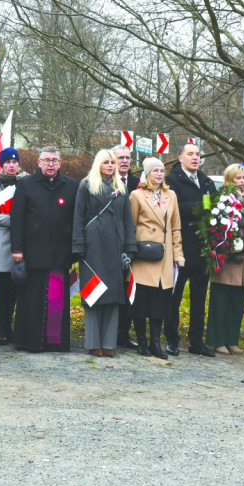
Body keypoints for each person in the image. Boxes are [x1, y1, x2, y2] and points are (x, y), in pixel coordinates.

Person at [10, 147, 78, 352]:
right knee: (32, 299)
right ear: (38, 162)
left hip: (60, 252)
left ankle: (54, 341)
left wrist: (74, 249)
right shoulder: (26, 184)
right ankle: (29, 341)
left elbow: (75, 220)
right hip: (33, 252)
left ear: (60, 163)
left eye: (54, 160)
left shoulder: (71, 186)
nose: (51, 164)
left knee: (56, 299)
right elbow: (17, 219)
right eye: (47, 160)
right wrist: (17, 249)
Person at [72, 149, 137, 357]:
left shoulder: (121, 188)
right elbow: (78, 218)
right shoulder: (86, 185)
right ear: (98, 164)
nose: (110, 165)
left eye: (112, 162)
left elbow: (127, 221)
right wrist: (79, 247)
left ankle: (109, 343)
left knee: (113, 297)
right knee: (94, 294)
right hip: (93, 247)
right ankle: (93, 343)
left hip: (115, 247)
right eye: (106, 162)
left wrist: (129, 248)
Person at [165, 142, 217, 357]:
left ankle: (196, 341)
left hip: (202, 249)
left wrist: (204, 208)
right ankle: (171, 340)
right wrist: (200, 207)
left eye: (197, 154)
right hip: (180, 249)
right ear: (180, 158)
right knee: (174, 298)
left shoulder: (205, 180)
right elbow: (173, 208)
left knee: (198, 299)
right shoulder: (172, 179)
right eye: (190, 154)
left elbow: (215, 205)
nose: (195, 158)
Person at [128, 157, 183, 358]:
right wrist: (131, 251)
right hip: (144, 255)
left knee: (160, 304)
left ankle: (155, 343)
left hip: (164, 255)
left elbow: (176, 226)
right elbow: (131, 226)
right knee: (142, 302)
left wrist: (178, 254)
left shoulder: (171, 195)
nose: (159, 174)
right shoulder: (136, 195)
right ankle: (142, 342)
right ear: (147, 173)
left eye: (162, 171)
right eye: (155, 171)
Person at [206, 163, 244, 356]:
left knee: (238, 301)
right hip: (227, 256)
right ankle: (216, 340)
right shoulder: (223, 197)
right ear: (229, 179)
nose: (242, 182)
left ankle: (232, 339)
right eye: (238, 178)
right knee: (221, 299)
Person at [0, 148, 28, 345]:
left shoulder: (27, 183)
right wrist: (13, 220)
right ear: (1, 164)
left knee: (17, 286)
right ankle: (1, 329)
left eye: (14, 162)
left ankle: (13, 328)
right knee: (1, 286)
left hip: (23, 241)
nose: (11, 165)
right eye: (7, 162)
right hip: (0, 240)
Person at [114, 145, 140, 350]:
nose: (124, 161)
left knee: (128, 292)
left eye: (127, 157)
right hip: (109, 245)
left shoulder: (137, 184)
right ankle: (108, 332)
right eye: (120, 157)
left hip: (131, 244)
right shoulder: (104, 181)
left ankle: (123, 333)